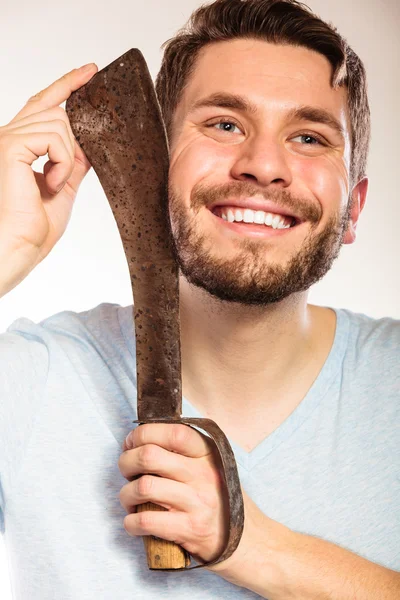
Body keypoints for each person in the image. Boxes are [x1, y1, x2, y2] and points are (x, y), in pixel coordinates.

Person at [0, 0, 399, 598]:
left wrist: (250, 543)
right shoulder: (30, 381)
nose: (264, 166)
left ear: (354, 210)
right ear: (158, 167)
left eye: (310, 136)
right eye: (224, 124)